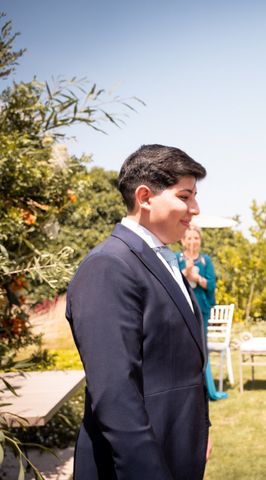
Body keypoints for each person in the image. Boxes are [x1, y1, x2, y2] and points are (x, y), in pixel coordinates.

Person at [66, 144, 211, 479]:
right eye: (185, 196)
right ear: (145, 197)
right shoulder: (109, 266)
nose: (196, 208)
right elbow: (115, 393)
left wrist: (200, 428)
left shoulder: (164, 258)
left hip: (176, 448)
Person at [177, 224, 228, 401]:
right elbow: (173, 282)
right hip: (182, 309)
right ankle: (185, 389)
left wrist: (196, 277)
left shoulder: (206, 260)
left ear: (200, 240)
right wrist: (186, 271)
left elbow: (212, 285)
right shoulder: (177, 258)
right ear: (182, 240)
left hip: (201, 310)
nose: (193, 241)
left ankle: (206, 389)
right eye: (189, 238)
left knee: (200, 347)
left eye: (196, 238)